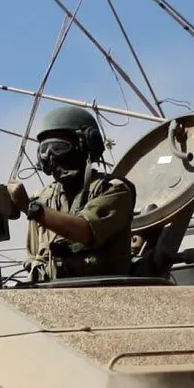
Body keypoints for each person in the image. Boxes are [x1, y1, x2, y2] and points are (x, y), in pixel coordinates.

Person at [20, 103, 142, 280]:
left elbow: (86, 230)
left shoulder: (114, 190)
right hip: (52, 297)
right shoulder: (43, 199)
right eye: (44, 151)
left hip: (106, 294)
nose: (51, 157)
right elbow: (33, 257)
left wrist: (32, 209)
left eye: (58, 147)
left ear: (86, 145)